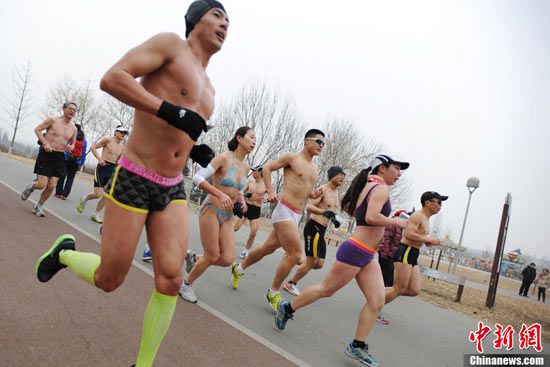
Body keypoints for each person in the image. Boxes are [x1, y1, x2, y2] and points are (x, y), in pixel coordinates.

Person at [34, 2, 227, 366]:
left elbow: (178, 127)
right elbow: (113, 78)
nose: (224, 24)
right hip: (135, 175)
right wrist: (169, 111)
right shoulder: (171, 46)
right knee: (110, 278)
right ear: (194, 20)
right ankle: (63, 253)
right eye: (217, 15)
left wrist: (194, 149)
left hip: (172, 187)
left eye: (228, 20)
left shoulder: (211, 89)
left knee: (170, 279)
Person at [274, 154, 409, 367]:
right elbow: (372, 217)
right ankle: (287, 308)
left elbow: (353, 210)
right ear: (382, 168)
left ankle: (357, 345)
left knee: (377, 301)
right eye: (397, 169)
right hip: (357, 250)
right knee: (326, 290)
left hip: (368, 254)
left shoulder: (368, 186)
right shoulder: (380, 188)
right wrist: (399, 223)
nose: (399, 174)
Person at [231, 129, 325, 311]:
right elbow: (267, 168)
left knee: (268, 248)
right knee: (296, 255)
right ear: (307, 141)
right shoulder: (292, 158)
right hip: (283, 210)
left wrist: (313, 194)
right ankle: (273, 293)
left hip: (297, 214)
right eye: (318, 141)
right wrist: (271, 191)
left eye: (323, 144)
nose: (321, 146)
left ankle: (239, 268)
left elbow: (304, 189)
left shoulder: (315, 168)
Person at [179, 127, 254, 303]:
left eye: (255, 138)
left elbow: (239, 187)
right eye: (251, 137)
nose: (254, 141)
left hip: (228, 215)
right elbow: (198, 178)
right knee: (212, 256)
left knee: (227, 259)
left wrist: (241, 200)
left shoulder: (246, 166)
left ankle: (193, 258)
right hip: (211, 209)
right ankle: (186, 285)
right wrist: (220, 194)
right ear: (239, 138)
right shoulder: (223, 158)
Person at [382, 191, 447, 318]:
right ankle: (374, 306)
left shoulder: (426, 219)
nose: (440, 206)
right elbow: (408, 234)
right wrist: (429, 239)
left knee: (414, 290)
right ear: (427, 203)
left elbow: (418, 236)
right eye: (438, 202)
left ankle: (380, 292)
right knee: (399, 288)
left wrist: (427, 242)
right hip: (406, 250)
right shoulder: (417, 215)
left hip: (414, 253)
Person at [283, 166, 345, 296]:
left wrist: (334, 220)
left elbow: (330, 212)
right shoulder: (323, 189)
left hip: (322, 230)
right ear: (333, 175)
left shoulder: (336, 193)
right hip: (313, 227)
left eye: (344, 176)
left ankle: (295, 259)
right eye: (340, 175)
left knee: (319, 264)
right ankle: (291, 283)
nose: (343, 178)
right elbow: (309, 207)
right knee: (312, 261)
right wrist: (323, 211)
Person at [21, 102, 78, 216]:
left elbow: (73, 143)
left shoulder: (74, 128)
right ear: (64, 109)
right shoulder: (53, 120)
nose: (72, 111)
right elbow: (37, 129)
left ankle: (39, 206)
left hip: (59, 157)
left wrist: (70, 147)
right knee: (42, 184)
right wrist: (45, 144)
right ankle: (32, 186)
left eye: (74, 110)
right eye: (70, 108)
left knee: (51, 185)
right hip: (46, 154)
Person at [76, 125, 128, 223]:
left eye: (125, 133)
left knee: (107, 196)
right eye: (121, 132)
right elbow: (93, 147)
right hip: (102, 168)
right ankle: (85, 198)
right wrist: (99, 159)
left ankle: (95, 214)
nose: (123, 135)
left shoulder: (122, 147)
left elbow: (120, 160)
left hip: (112, 170)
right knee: (98, 194)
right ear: (116, 132)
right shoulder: (108, 140)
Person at [233, 165, 267, 259]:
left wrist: (267, 200)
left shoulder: (266, 185)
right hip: (246, 207)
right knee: (235, 228)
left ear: (260, 172)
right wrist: (245, 194)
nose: (252, 172)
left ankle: (246, 251)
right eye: (252, 170)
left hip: (256, 209)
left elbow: (273, 197)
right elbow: (240, 193)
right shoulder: (250, 182)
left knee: (254, 232)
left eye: (254, 171)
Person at [55, 124, 88, 200]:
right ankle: (64, 195)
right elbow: (83, 152)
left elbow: (65, 147)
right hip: (76, 161)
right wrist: (81, 162)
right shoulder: (84, 141)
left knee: (62, 175)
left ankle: (58, 193)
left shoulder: (70, 137)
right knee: (70, 178)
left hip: (66, 159)